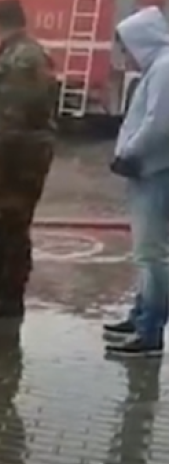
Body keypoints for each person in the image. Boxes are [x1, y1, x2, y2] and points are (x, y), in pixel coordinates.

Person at [0, 0, 56, 319]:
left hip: (20, 152)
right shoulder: (29, 52)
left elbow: (13, 117)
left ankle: (8, 298)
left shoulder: (18, 58)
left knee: (11, 224)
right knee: (8, 223)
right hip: (28, 148)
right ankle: (2, 290)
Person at [103, 6, 169, 356]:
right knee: (149, 253)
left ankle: (150, 331)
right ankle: (141, 314)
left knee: (151, 254)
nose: (125, 55)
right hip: (152, 169)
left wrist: (129, 155)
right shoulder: (159, 67)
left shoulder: (164, 68)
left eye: (126, 47)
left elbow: (159, 124)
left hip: (155, 172)